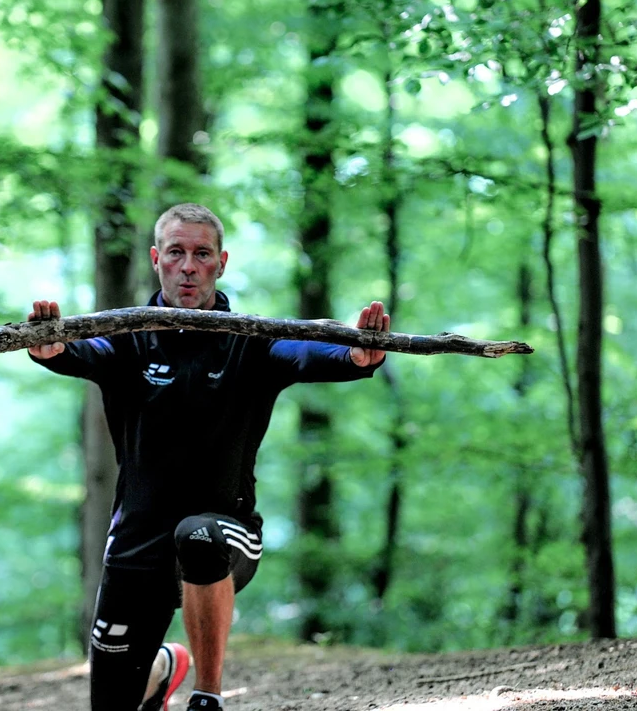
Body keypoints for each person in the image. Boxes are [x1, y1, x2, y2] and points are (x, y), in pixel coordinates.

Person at [28, 203, 389, 711]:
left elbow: (309, 354)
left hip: (226, 534)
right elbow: (80, 352)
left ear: (221, 262)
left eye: (201, 254)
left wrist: (355, 354)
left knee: (196, 534)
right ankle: (163, 668)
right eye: (176, 253)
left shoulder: (252, 340)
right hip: (137, 541)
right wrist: (49, 348)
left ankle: (208, 696)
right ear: (157, 259)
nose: (188, 266)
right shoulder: (129, 338)